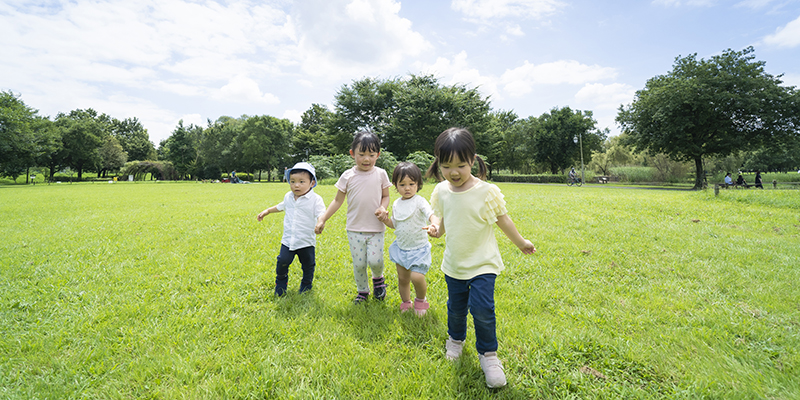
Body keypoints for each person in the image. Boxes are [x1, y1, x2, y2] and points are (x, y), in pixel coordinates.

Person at [426, 127, 536, 388]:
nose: (454, 172)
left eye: (461, 165)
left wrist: (521, 243)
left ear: (473, 160)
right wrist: (435, 230)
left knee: (483, 310)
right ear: (438, 163)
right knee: (456, 308)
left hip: (483, 264)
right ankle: (455, 340)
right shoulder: (442, 190)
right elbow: (442, 224)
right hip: (454, 264)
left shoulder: (486, 191)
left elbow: (503, 220)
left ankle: (489, 356)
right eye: (446, 166)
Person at [315, 131, 392, 304]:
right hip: (354, 228)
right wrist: (323, 219)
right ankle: (363, 291)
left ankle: (378, 281)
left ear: (378, 155)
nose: (366, 159)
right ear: (352, 154)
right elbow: (337, 200)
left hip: (376, 228)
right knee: (359, 264)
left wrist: (382, 207)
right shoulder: (347, 176)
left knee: (376, 261)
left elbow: (386, 196)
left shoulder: (381, 174)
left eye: (371, 155)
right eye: (361, 155)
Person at [377, 162, 439, 316]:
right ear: (395, 186)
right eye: (402, 184)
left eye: (412, 184)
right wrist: (385, 220)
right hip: (401, 248)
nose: (407, 188)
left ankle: (420, 300)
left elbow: (431, 214)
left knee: (417, 277)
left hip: (419, 248)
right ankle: (406, 302)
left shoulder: (420, 201)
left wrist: (434, 224)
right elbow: (395, 224)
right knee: (403, 279)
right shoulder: (397, 203)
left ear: (418, 184)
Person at [257, 162, 325, 296]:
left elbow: (321, 213)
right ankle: (281, 284)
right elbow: (281, 206)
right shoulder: (288, 196)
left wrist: (320, 222)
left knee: (308, 265)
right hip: (288, 240)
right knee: (282, 261)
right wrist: (267, 211)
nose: (296, 185)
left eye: (301, 181)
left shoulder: (315, 199)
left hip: (306, 241)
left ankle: (306, 285)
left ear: (312, 183)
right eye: (292, 181)